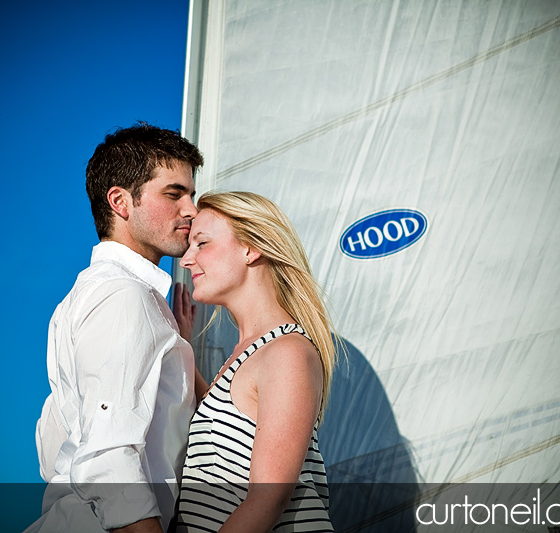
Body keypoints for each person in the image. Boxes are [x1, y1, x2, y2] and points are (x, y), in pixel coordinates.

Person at [28, 123, 208, 533]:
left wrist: (174, 344)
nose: (191, 211)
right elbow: (107, 462)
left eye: (191, 195)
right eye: (174, 193)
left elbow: (53, 451)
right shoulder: (124, 298)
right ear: (121, 202)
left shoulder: (82, 299)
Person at [176, 191, 338, 532]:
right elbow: (229, 418)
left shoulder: (286, 352)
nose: (186, 259)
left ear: (251, 249)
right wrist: (179, 348)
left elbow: (268, 499)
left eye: (201, 243)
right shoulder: (249, 356)